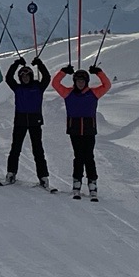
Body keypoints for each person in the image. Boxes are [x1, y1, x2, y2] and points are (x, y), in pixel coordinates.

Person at [52, 64, 112, 199]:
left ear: (86, 82)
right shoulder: (68, 93)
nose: (80, 83)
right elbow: (55, 83)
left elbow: (107, 85)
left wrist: (99, 72)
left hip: (89, 129)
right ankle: (77, 182)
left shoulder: (93, 93)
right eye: (78, 81)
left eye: (83, 81)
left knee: (89, 157)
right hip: (74, 130)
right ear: (74, 81)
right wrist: (63, 72)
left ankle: (92, 182)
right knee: (78, 157)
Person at [4, 56, 51, 187]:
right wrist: (16, 64)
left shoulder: (38, 87)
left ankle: (43, 176)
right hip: (20, 121)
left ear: (31, 76)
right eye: (22, 76)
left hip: (35, 121)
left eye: (27, 75)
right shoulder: (17, 88)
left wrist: (40, 64)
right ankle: (11, 173)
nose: (25, 78)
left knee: (38, 150)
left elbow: (47, 77)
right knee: (15, 148)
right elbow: (8, 78)